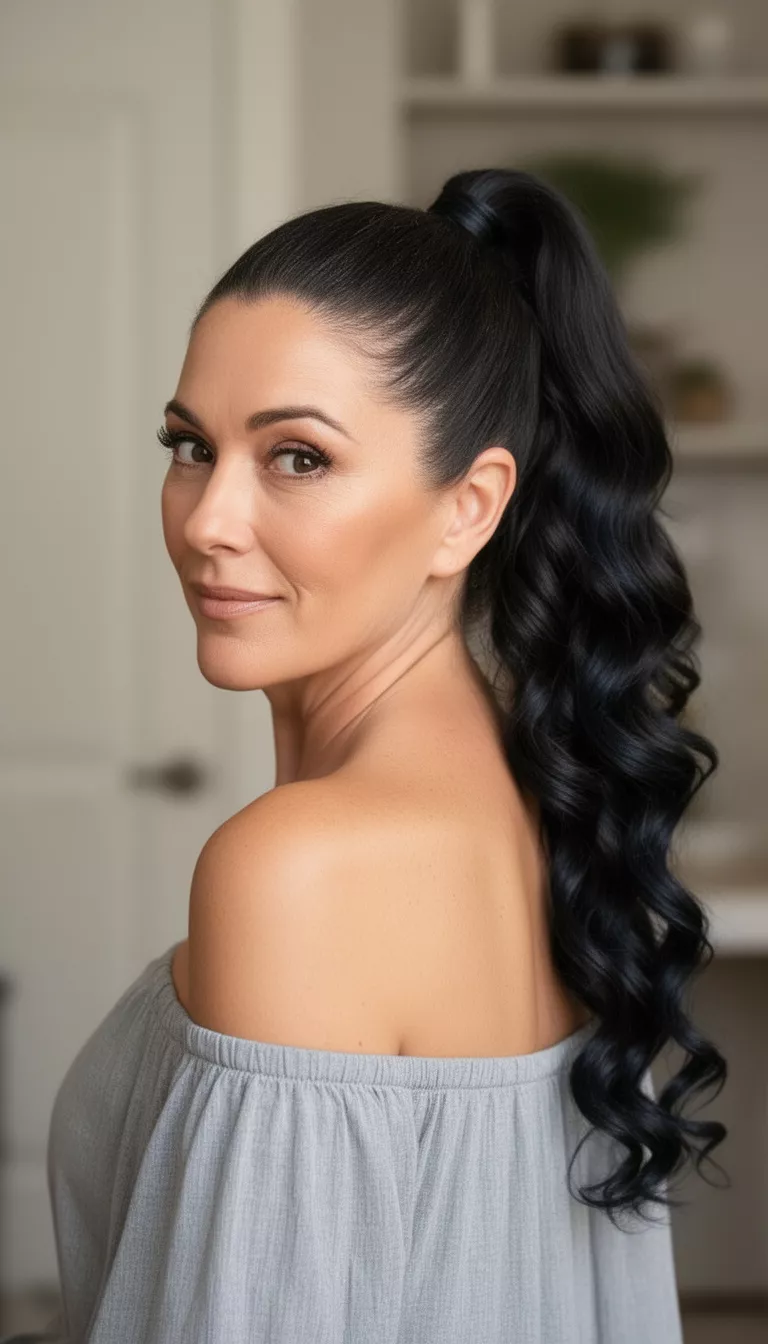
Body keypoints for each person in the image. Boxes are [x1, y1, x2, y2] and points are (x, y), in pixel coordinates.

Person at [36, 167, 727, 1343]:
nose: (207, 519)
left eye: (297, 456)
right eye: (190, 445)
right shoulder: (539, 802)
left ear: (468, 507)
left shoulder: (301, 866)